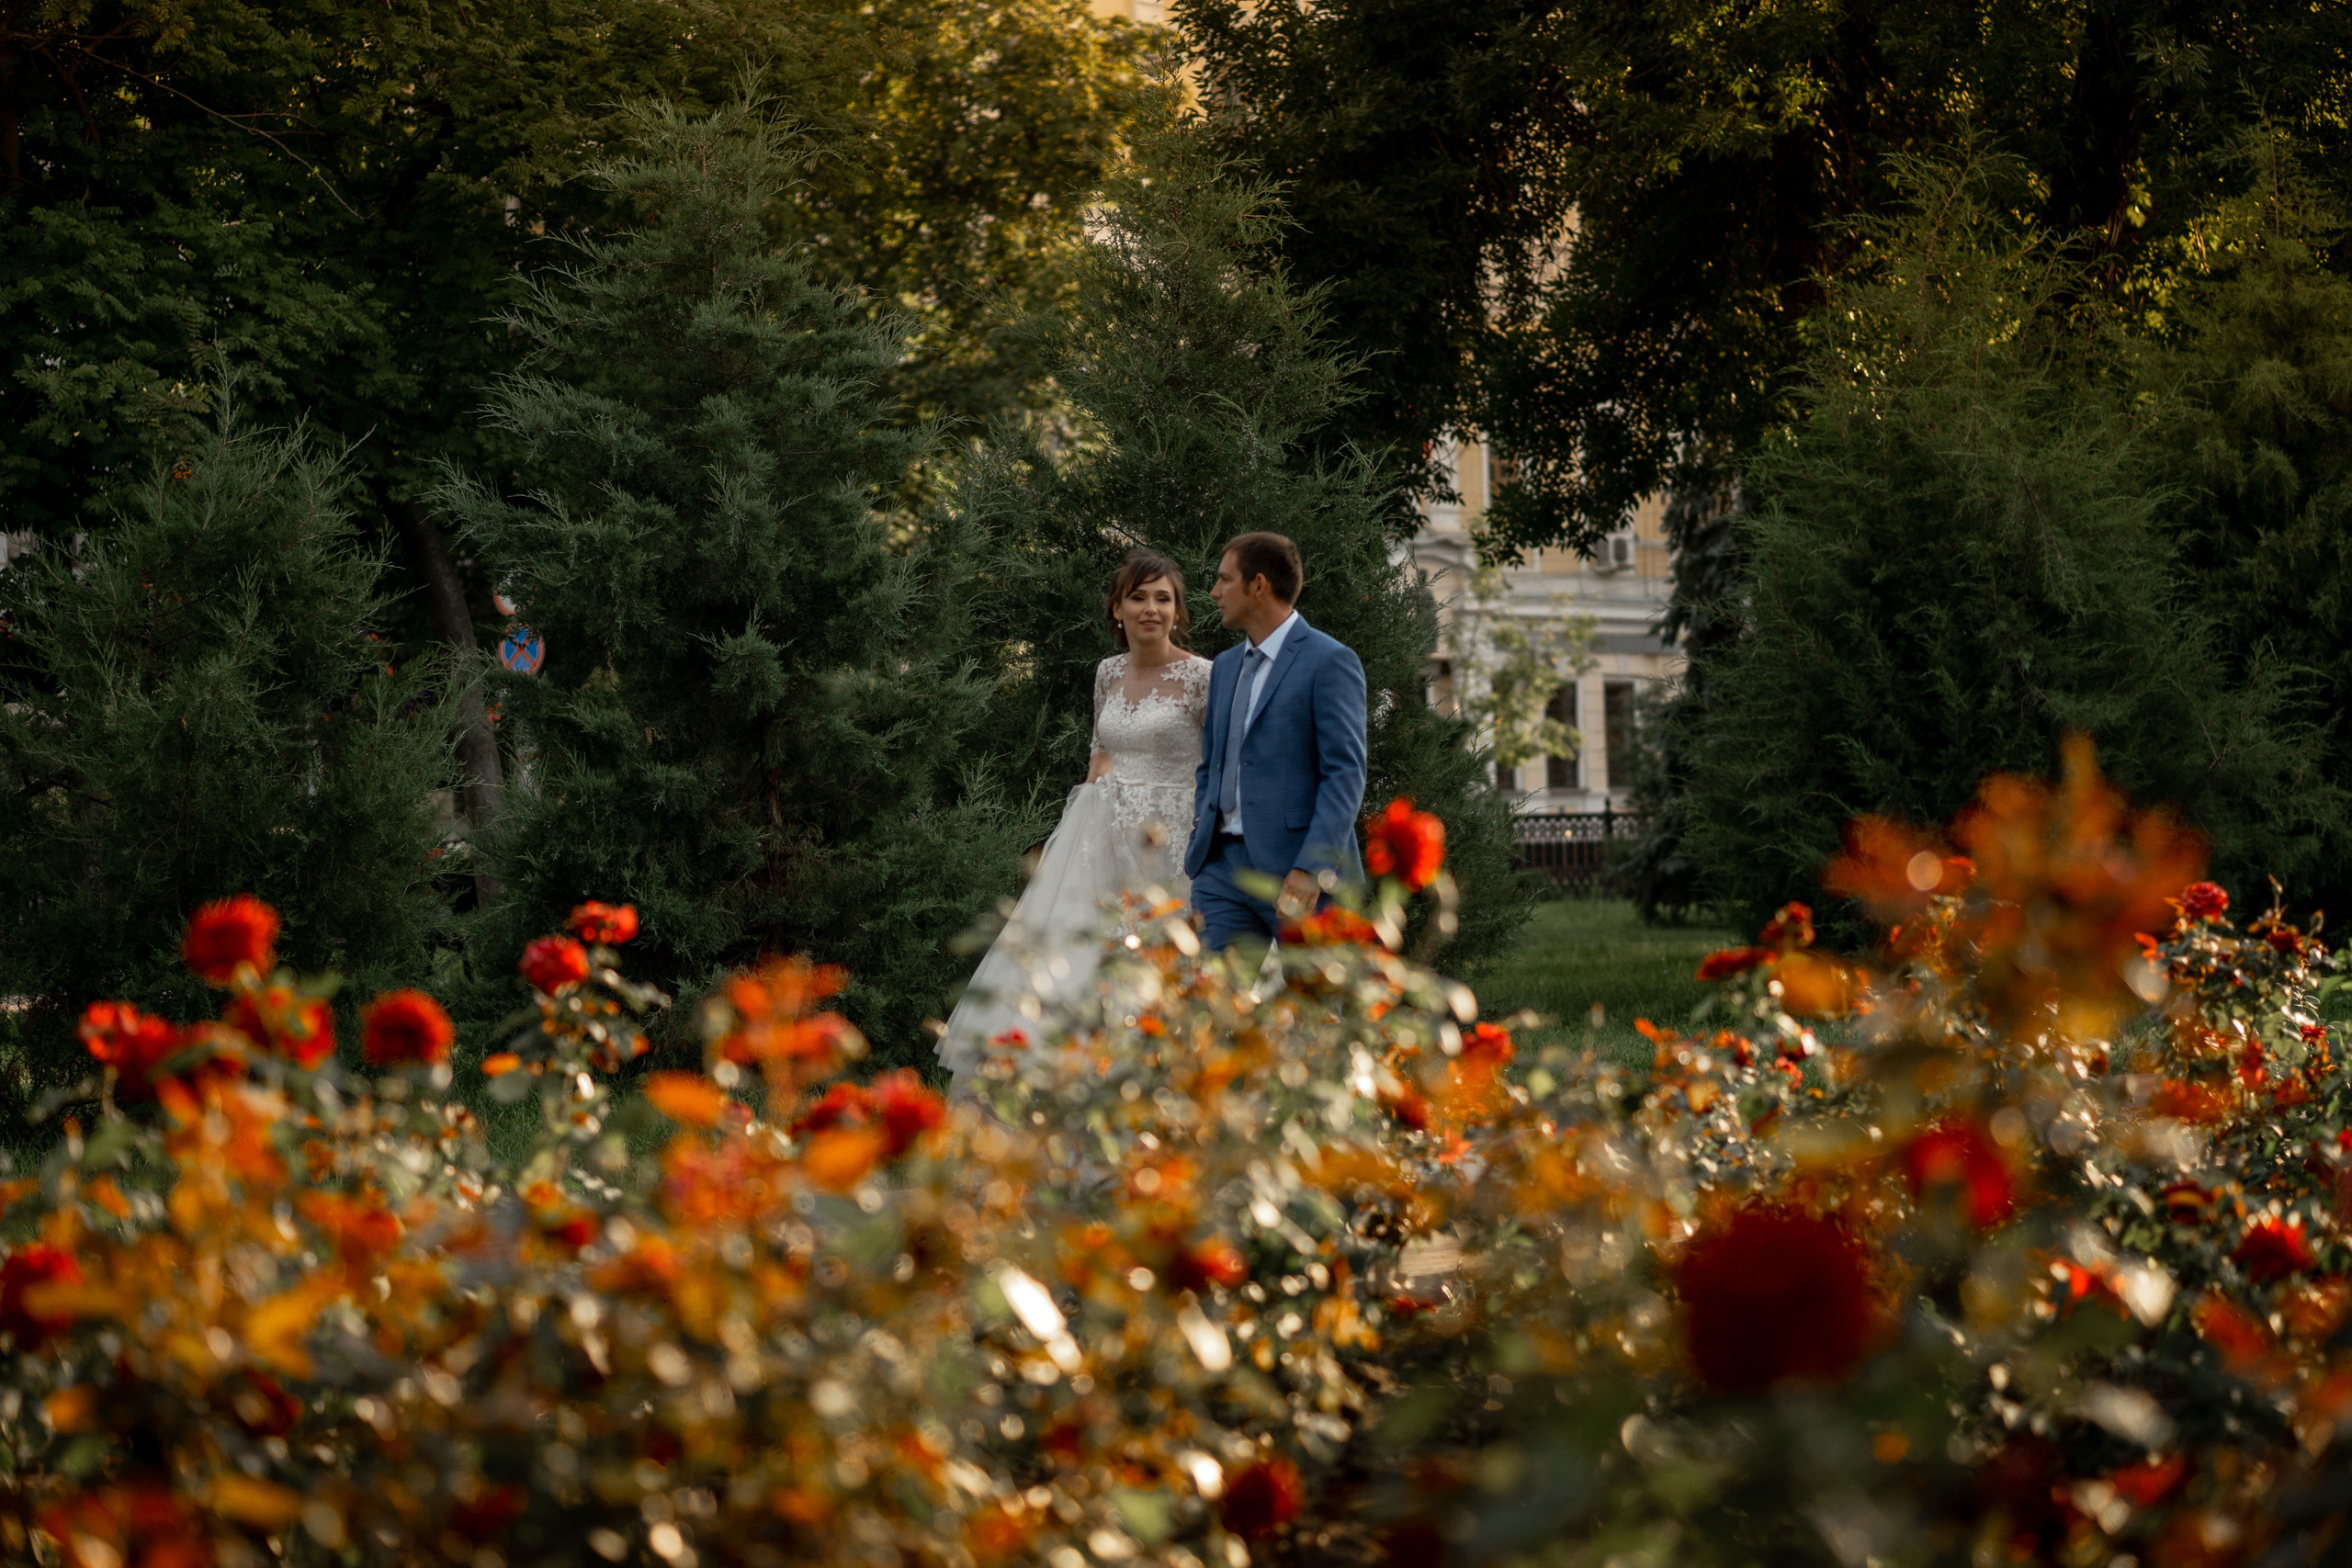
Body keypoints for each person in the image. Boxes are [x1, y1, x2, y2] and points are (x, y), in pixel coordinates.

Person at [937, 549, 1213, 1090]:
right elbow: (1100, 754)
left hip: (1173, 842)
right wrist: (1087, 821)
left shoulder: (1205, 676)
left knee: (1168, 965)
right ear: (1117, 608)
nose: (1151, 609)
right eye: (1138, 597)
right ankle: (1078, 1096)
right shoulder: (1107, 672)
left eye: (1164, 598)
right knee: (1080, 961)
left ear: (1179, 612)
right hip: (1101, 838)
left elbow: (1219, 765)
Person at [1185, 532, 1368, 952]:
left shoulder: (1330, 661)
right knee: (1208, 1008)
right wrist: (1203, 828)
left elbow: (1344, 774)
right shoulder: (1226, 667)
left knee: (1314, 1011)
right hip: (1219, 872)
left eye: (1224, 579)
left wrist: (1311, 868)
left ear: (1259, 585)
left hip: (1299, 870)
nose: (1214, 592)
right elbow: (1209, 763)